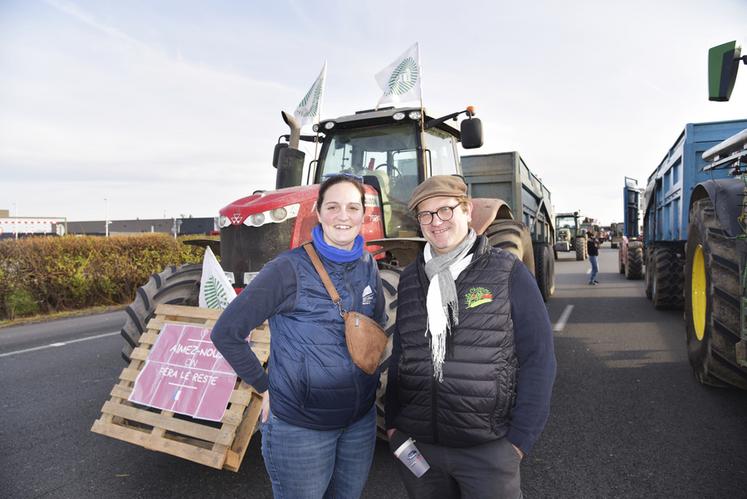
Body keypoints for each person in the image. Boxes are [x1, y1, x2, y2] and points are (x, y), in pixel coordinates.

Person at [211, 174, 386, 499]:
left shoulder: (368, 265)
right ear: (318, 213)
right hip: (302, 429)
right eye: (333, 207)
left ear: (364, 214)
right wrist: (266, 386)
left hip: (359, 423)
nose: (343, 216)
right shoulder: (287, 269)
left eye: (352, 207)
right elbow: (226, 332)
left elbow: (376, 324)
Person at [385, 175, 556, 499]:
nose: (436, 222)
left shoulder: (507, 272)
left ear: (467, 210)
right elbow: (400, 356)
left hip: (487, 450)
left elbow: (539, 359)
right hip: (419, 447)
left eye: (445, 210)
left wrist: (518, 442)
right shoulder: (409, 279)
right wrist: (394, 425)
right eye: (426, 214)